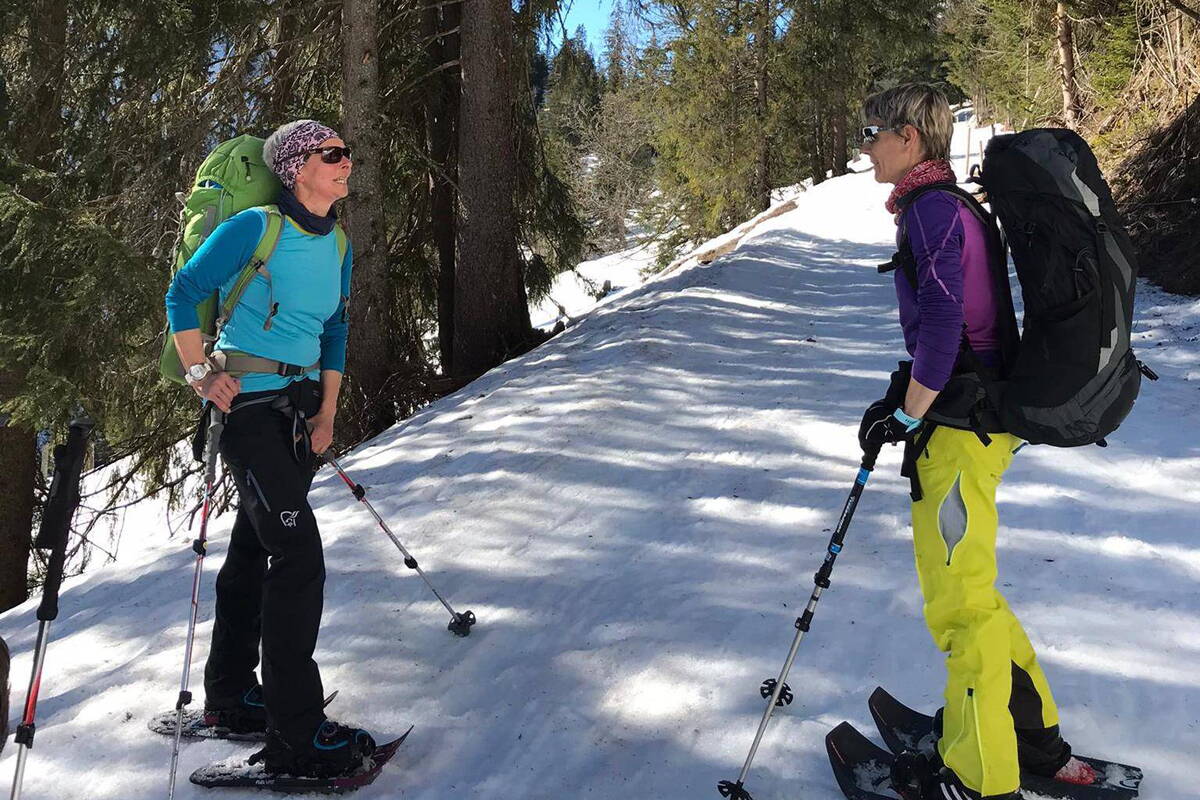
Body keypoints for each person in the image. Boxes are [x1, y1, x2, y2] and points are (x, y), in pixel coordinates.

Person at [855, 85, 1094, 800]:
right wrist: (907, 399)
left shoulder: (931, 212)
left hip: (962, 431)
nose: (865, 145)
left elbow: (941, 321)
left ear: (908, 138)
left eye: (873, 131)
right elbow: (956, 330)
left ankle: (979, 777)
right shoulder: (951, 206)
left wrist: (909, 412)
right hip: (974, 420)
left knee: (961, 609)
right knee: (977, 600)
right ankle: (1032, 742)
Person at [164, 120, 374, 778]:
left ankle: (230, 697)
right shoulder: (256, 227)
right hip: (249, 413)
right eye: (331, 154)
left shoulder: (337, 239)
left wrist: (329, 412)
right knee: (298, 553)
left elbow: (335, 327)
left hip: (299, 415)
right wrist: (201, 373)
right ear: (295, 168)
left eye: (346, 153)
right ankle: (297, 739)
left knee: (258, 546)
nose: (346, 163)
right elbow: (185, 292)